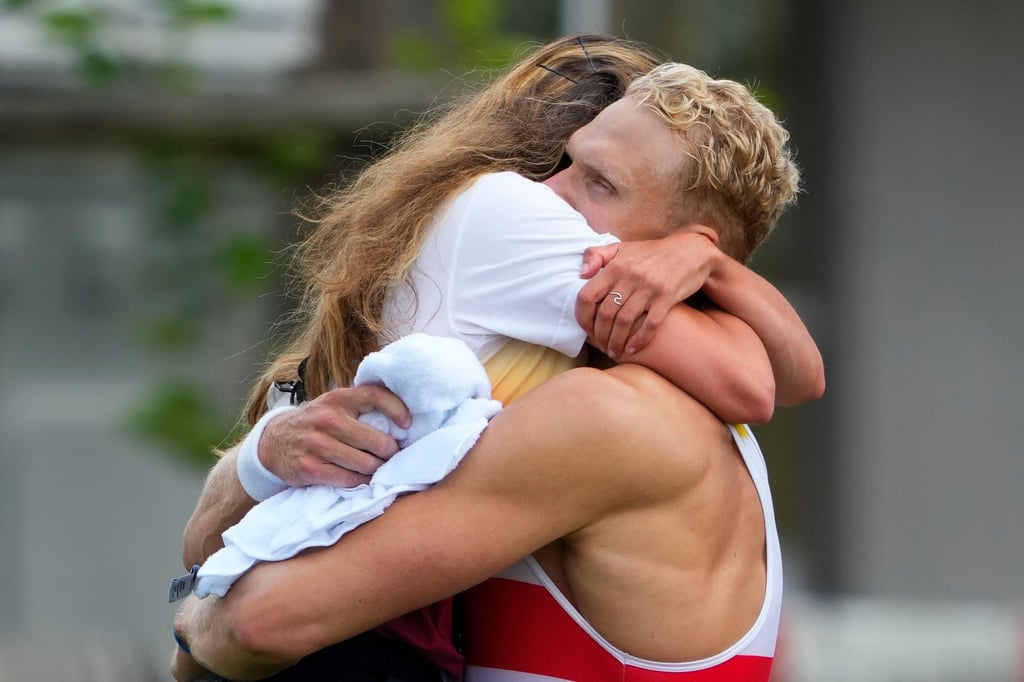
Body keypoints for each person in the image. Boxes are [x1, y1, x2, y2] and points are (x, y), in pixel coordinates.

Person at [172, 56, 815, 682]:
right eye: (565, 162)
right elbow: (796, 380)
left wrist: (192, 629)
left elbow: (258, 622)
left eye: (601, 184)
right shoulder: (686, 429)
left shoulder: (605, 419)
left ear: (672, 248)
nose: (543, 194)